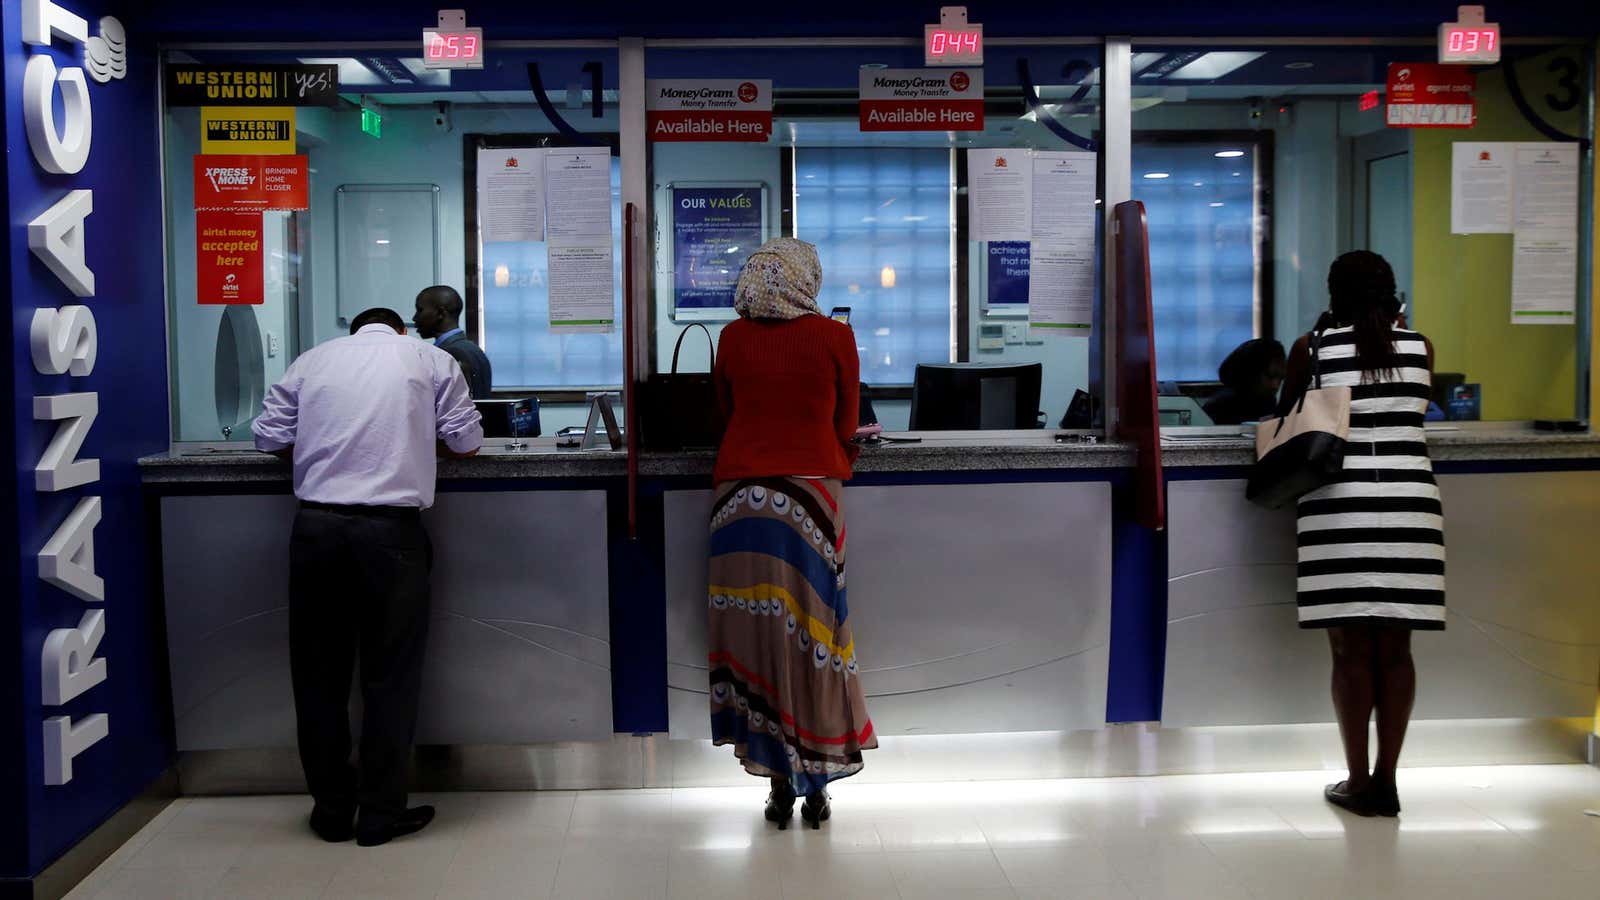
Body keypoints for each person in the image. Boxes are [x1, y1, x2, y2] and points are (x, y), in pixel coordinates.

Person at [252, 307, 483, 846]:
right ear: (401, 330)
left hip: (316, 531)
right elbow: (467, 442)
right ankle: (379, 815)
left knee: (318, 678)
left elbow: (266, 439)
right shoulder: (430, 359)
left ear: (352, 331)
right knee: (390, 678)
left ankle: (332, 812)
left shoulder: (312, 360)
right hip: (391, 535)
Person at [707, 238, 876, 830]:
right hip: (812, 495)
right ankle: (816, 786)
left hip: (739, 503)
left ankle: (777, 784)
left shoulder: (731, 337)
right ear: (808, 280)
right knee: (816, 641)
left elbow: (725, 409)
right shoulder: (834, 337)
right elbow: (848, 422)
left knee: (757, 643)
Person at [1279, 251, 1442, 818]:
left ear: (1334, 293)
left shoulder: (1314, 349)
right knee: (1397, 650)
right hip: (1410, 509)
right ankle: (1388, 780)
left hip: (1339, 509)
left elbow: (1290, 414)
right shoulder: (1420, 346)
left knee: (1349, 649)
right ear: (1392, 292)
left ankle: (1356, 781)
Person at [413, 285, 493, 399]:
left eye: (420, 310)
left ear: (440, 313)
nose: (415, 318)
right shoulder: (472, 349)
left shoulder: (450, 353)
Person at [1203, 338, 1286, 425]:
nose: (1276, 385)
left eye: (1281, 379)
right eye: (1270, 376)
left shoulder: (1267, 402)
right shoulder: (1220, 407)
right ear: (1251, 373)